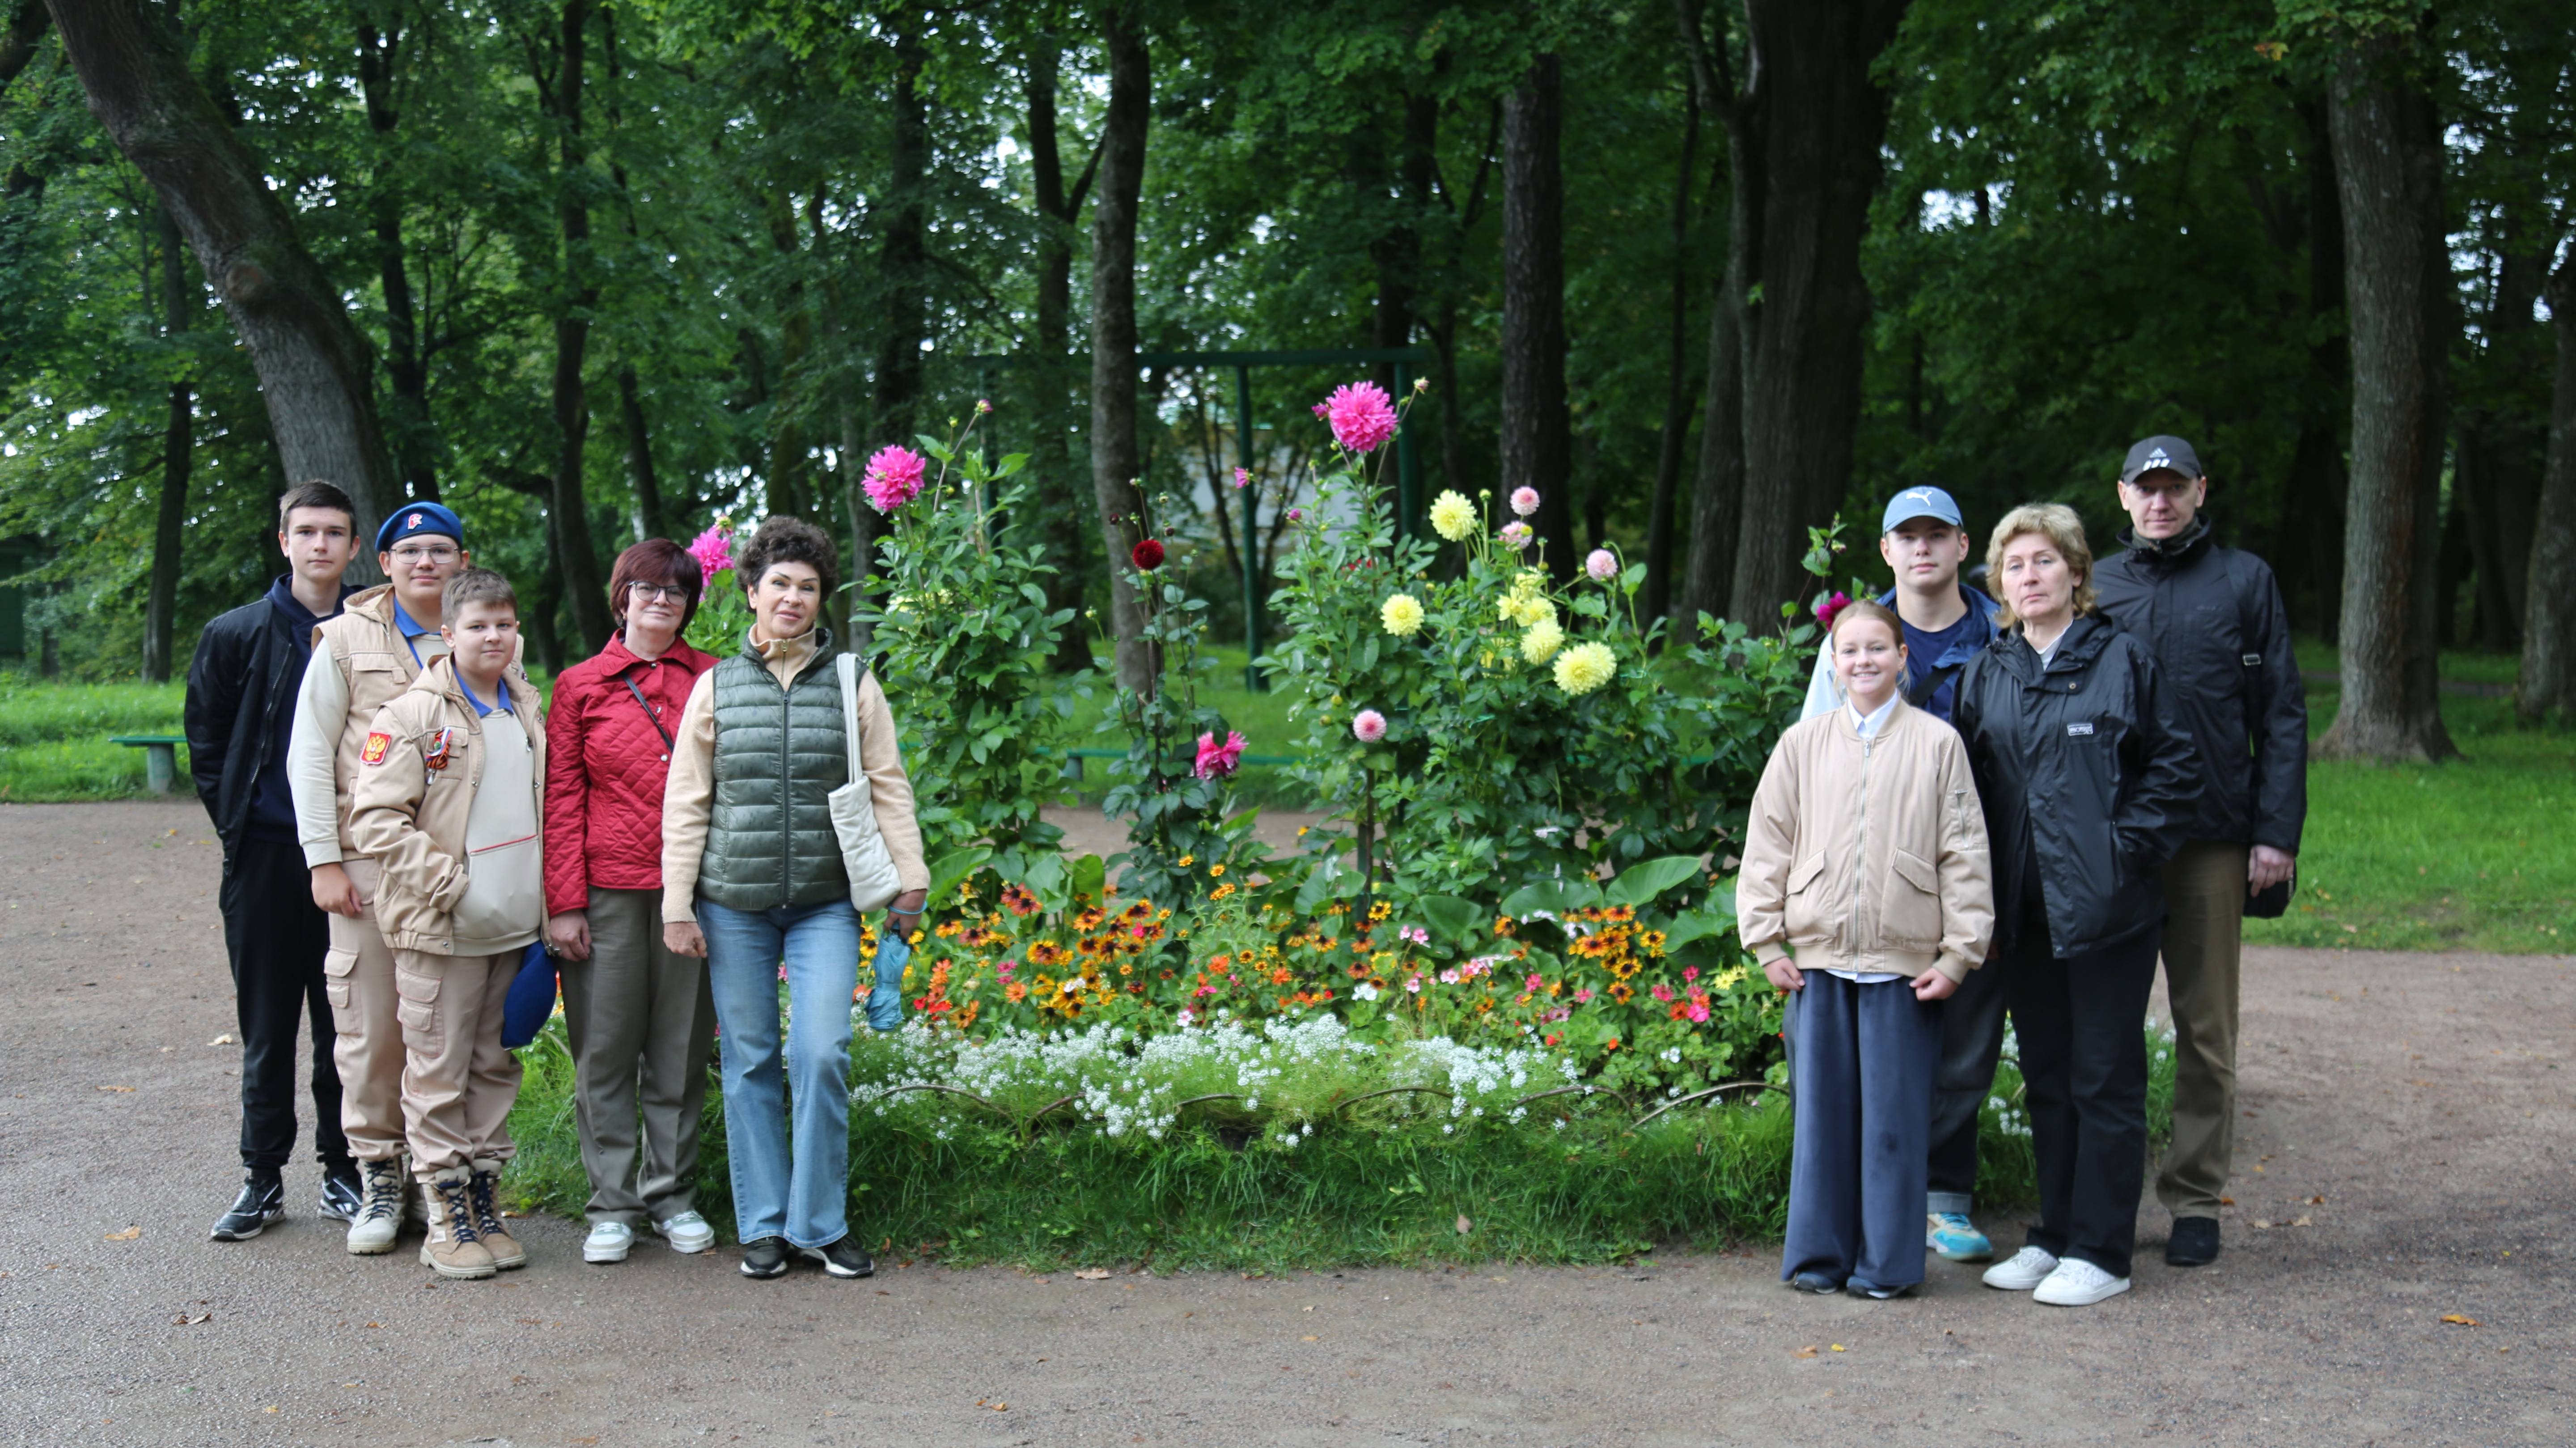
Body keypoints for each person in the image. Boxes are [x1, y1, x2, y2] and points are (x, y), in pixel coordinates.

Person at [660, 516, 929, 1281]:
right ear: (750, 592)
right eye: (779, 582)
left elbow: (888, 787)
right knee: (749, 1062)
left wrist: (911, 880)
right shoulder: (716, 686)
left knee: (821, 1050)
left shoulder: (852, 680)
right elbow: (688, 802)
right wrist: (678, 903)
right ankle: (767, 1227)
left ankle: (822, 1222)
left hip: (825, 902)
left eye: (807, 586)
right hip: (732, 903)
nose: (793, 597)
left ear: (820, 599)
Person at [1952, 505, 2200, 1307]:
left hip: (2108, 911)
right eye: (2015, 565)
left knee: (2106, 1079)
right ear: (2000, 583)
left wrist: (2124, 855)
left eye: (2045, 562)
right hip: (2024, 916)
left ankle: (2103, 1250)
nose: (2030, 577)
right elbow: (1970, 791)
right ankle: (2055, 1235)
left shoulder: (2123, 660)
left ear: (2077, 573)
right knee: (2050, 1078)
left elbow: (2175, 769)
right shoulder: (1989, 671)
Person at [2093, 436, 2306, 1270]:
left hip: (2214, 837)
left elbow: (2282, 711)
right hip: (2115, 839)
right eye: (2145, 488)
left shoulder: (2244, 580)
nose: (2160, 501)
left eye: (2173, 486)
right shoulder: (2098, 587)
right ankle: (2095, 1194)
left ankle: (2193, 1198)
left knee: (2207, 1031)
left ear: (2199, 490)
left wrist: (2276, 831)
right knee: (2102, 1028)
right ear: (2122, 496)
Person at [1743, 599, 1995, 1299]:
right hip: (1819, 960)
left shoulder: (1938, 744)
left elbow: (1966, 852)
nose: (1864, 661)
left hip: (1902, 965)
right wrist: (1766, 940)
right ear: (1833, 661)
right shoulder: (1804, 743)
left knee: (1893, 1120)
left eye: (1877, 649)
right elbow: (1768, 843)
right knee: (1822, 1118)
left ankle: (1886, 1264)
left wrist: (1957, 955)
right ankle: (1819, 1258)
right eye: (1849, 650)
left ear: (1901, 657)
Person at [1797, 484, 2010, 1267]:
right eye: (1905, 536)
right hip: (1876, 877)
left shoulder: (2000, 628)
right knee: (1880, 1038)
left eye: (1937, 535)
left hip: (1981, 856)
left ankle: (1943, 1198)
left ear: (1962, 545)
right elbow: (1812, 757)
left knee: (1968, 1029)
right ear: (1886, 551)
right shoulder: (1859, 637)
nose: (1922, 549)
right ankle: (1869, 1200)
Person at [286, 500, 479, 1255]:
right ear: (386, 564)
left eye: (440, 550)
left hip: (448, 871)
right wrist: (323, 860)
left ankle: (444, 1180)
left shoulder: (483, 632)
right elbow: (310, 752)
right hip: (366, 868)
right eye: (411, 552)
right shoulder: (343, 640)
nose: (425, 562)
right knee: (367, 1030)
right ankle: (379, 1176)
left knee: (440, 1027)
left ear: (461, 561)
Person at [349, 568, 547, 1280]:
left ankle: (484, 1201)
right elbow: (374, 819)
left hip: (514, 929)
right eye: (478, 625)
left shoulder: (526, 707)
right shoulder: (410, 715)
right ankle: (445, 1216)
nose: (493, 636)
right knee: (436, 1072)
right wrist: (449, 884)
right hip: (443, 928)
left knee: (492, 1068)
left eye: (504, 623)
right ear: (448, 634)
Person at [186, 482, 364, 1240]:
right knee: (265, 1024)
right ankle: (261, 1176)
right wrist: (241, 825)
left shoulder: (372, 631)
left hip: (352, 860)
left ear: (356, 548)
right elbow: (208, 743)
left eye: (334, 533)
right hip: (263, 857)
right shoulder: (235, 633)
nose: (320, 545)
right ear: (283, 540)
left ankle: (346, 1170)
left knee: (345, 1023)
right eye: (306, 531)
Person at [542, 541, 722, 1265]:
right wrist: (564, 903)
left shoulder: (715, 678)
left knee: (679, 1052)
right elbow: (561, 795)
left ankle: (672, 1195)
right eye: (646, 589)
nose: (662, 602)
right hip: (608, 892)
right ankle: (611, 1204)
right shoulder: (580, 686)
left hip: (695, 893)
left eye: (677, 591)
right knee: (604, 1051)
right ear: (621, 597)